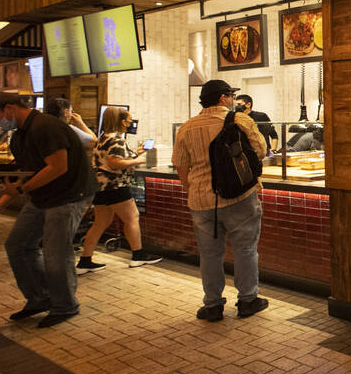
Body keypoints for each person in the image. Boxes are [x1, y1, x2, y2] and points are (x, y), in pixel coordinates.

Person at [0, 92, 97, 327]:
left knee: (56, 252)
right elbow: (23, 174)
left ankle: (65, 305)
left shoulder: (45, 126)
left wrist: (21, 191)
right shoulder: (19, 135)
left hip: (69, 194)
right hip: (43, 195)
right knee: (18, 245)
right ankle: (40, 298)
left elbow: (57, 167)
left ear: (10, 107)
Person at [173, 80, 269, 321]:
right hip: (240, 197)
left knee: (209, 254)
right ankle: (247, 300)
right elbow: (261, 150)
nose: (232, 100)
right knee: (245, 249)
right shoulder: (240, 120)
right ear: (223, 98)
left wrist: (194, 189)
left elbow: (181, 166)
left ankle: (213, 305)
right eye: (230, 96)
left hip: (202, 201)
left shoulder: (186, 127)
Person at [76, 106, 163, 273]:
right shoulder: (116, 139)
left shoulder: (103, 138)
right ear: (121, 121)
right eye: (129, 121)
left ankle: (85, 260)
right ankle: (138, 255)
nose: (130, 124)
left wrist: (135, 154)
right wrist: (139, 161)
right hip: (115, 186)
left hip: (100, 186)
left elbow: (111, 158)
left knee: (101, 222)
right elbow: (115, 163)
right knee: (132, 217)